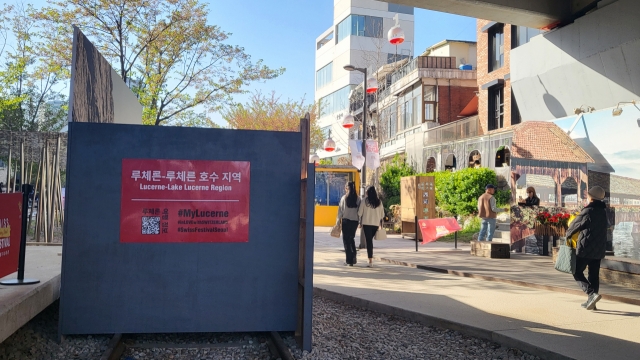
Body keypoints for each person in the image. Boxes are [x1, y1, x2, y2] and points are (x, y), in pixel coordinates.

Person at [565, 186, 608, 310]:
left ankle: (591, 294)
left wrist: (567, 235)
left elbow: (574, 226)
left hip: (586, 247)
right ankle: (592, 302)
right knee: (593, 275)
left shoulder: (588, 210)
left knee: (576, 271)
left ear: (591, 197)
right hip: (599, 249)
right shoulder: (603, 211)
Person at [358, 186, 384, 267]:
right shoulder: (379, 202)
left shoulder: (364, 201)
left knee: (369, 241)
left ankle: (370, 260)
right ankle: (370, 259)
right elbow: (382, 214)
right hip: (375, 224)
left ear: (368, 193)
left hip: (366, 224)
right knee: (370, 241)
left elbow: (359, 213)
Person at [337, 181, 360, 266]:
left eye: (345, 188)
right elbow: (359, 211)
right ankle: (353, 255)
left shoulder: (344, 198)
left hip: (346, 221)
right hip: (354, 222)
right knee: (351, 238)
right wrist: (359, 221)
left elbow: (340, 211)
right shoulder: (358, 199)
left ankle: (349, 260)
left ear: (347, 188)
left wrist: (338, 221)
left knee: (346, 241)